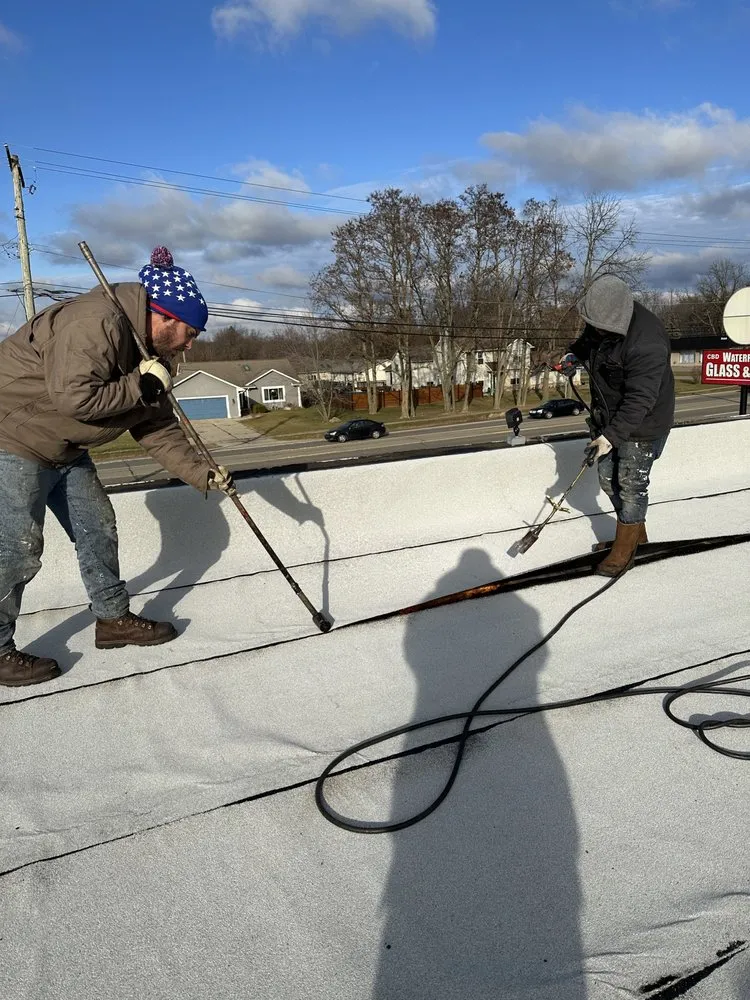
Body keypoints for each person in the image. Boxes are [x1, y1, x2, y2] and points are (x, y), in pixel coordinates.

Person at [0, 246, 236, 687]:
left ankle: (112, 621)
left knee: (97, 529)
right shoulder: (95, 322)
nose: (190, 344)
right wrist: (140, 383)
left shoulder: (153, 356)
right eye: (190, 332)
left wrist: (202, 472)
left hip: (65, 448)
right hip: (11, 437)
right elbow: (75, 398)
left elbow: (157, 428)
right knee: (17, 549)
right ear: (164, 317)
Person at [565, 274, 675, 577]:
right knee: (606, 479)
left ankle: (625, 550)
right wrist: (572, 355)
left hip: (643, 422)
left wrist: (608, 438)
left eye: (598, 326)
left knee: (631, 485)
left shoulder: (647, 342)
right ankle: (635, 535)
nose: (594, 328)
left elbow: (641, 401)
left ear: (616, 319)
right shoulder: (604, 317)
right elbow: (588, 343)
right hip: (610, 418)